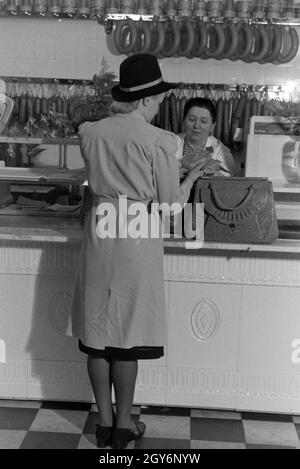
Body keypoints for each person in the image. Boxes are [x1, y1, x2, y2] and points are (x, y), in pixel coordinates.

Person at [70, 54, 204, 450]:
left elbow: (94, 185)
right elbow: (170, 204)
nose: (160, 106)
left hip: (100, 230)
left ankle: (105, 423)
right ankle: (126, 424)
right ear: (146, 100)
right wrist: (193, 175)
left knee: (97, 332)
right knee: (127, 333)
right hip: (137, 234)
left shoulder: (90, 132)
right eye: (159, 100)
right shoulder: (161, 141)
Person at [178, 97, 237, 179]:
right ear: (183, 121)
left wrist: (207, 173)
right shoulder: (171, 142)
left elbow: (229, 180)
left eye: (203, 121)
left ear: (213, 125)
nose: (196, 125)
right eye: (192, 120)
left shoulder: (220, 150)